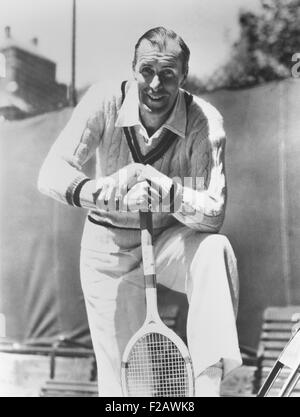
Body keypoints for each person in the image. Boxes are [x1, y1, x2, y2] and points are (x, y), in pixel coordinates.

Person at [38, 26, 242, 397]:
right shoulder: (103, 98)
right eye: (146, 71)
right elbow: (50, 173)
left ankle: (208, 388)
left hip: (167, 240)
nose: (155, 84)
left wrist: (165, 191)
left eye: (168, 74)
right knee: (129, 391)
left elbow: (213, 213)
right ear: (132, 69)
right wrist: (108, 193)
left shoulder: (205, 121)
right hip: (108, 250)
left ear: (183, 77)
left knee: (215, 250)